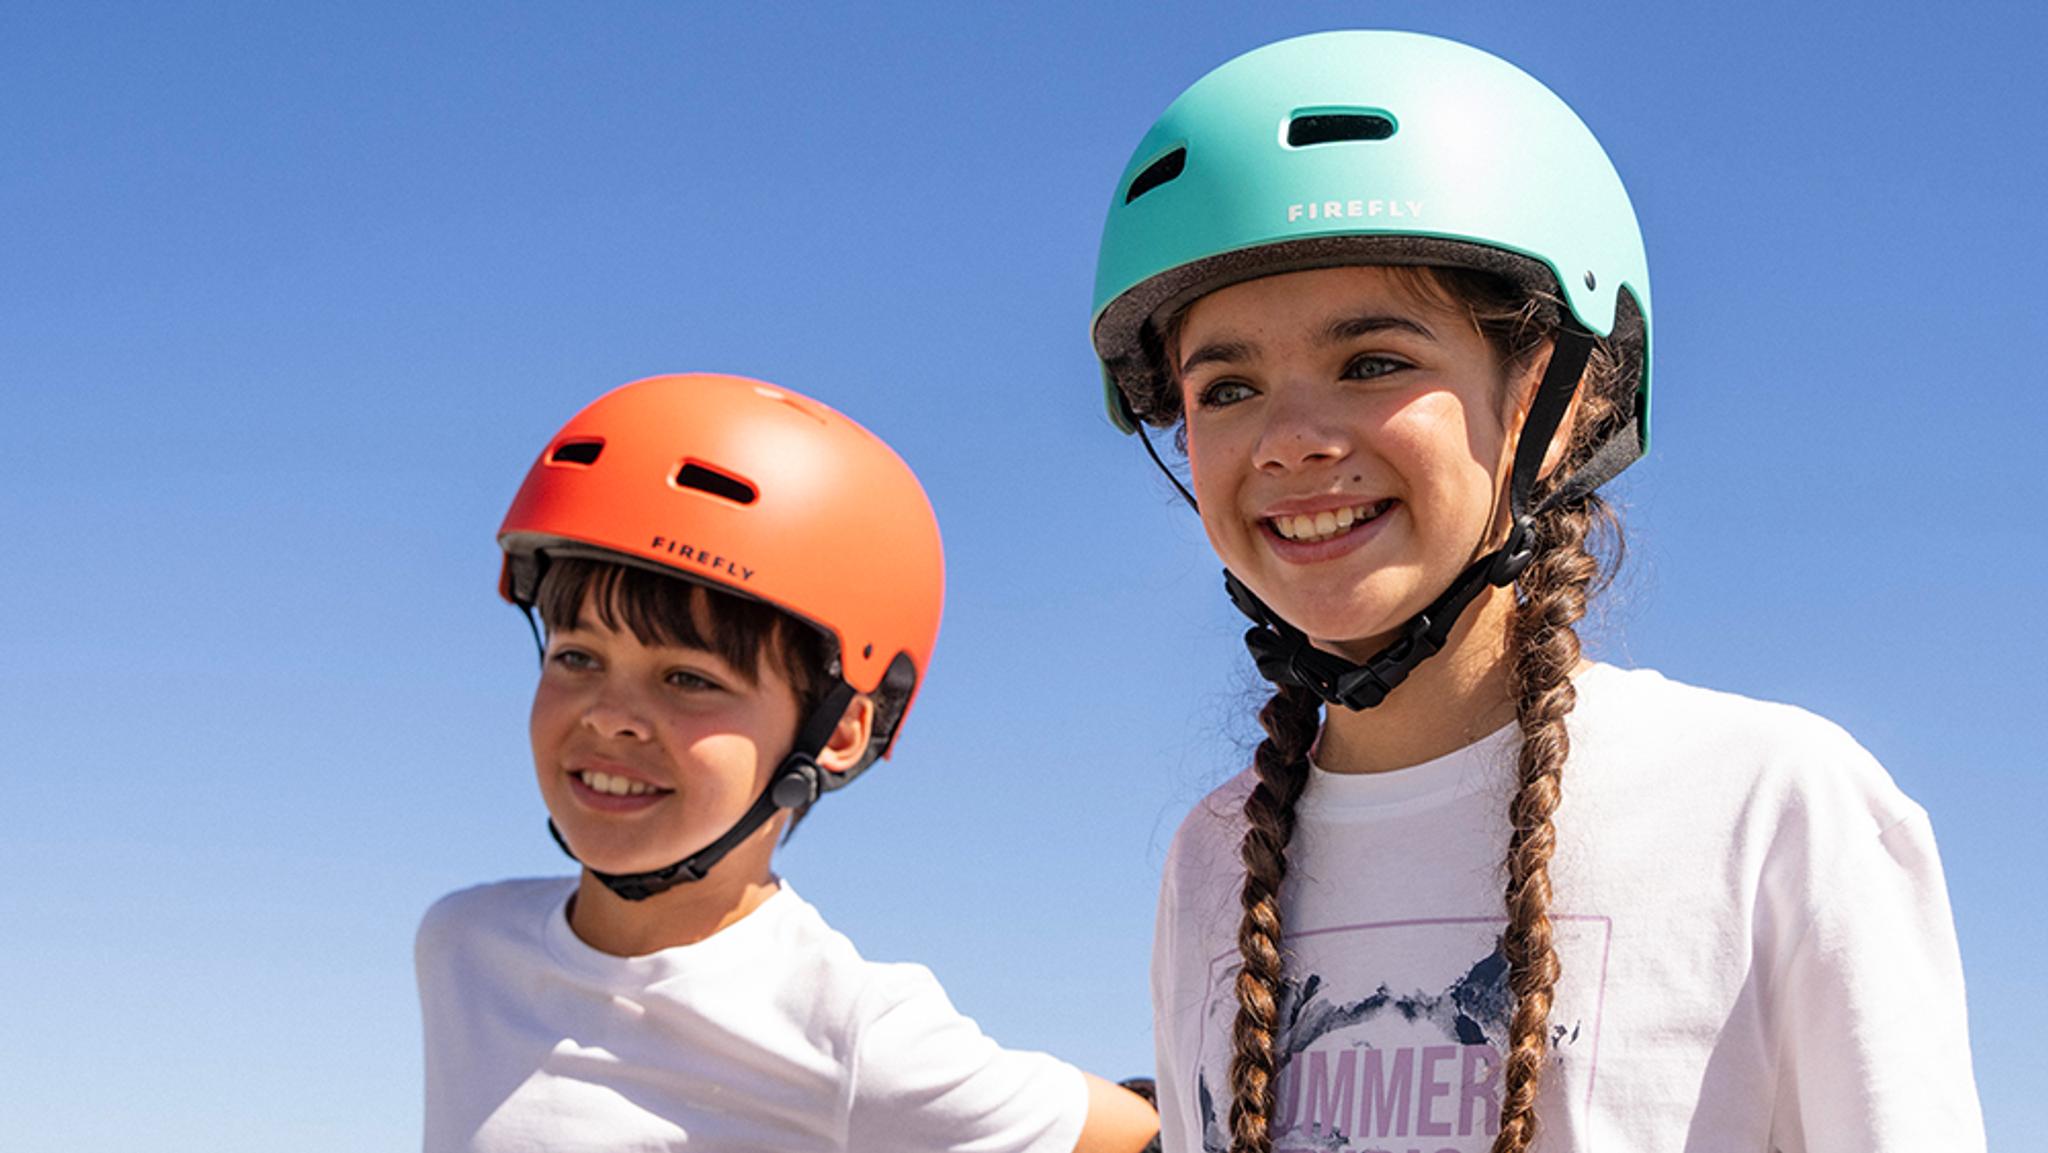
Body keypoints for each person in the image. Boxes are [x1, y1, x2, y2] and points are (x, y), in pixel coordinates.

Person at [1088, 31, 1982, 1153]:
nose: (1288, 441)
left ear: (1555, 402)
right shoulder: (1210, 856)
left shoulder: (1772, 807)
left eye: (1373, 362)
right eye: (1224, 387)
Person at [416, 372, 1160, 1153]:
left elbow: (1152, 1128)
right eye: (577, 656)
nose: (609, 714)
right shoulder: (462, 944)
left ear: (839, 730)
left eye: (689, 679)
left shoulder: (855, 1031)